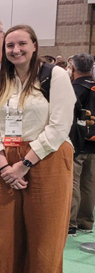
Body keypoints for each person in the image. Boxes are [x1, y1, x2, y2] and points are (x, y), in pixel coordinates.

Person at [0, 25, 75, 273]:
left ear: (34, 45)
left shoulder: (54, 76)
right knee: (6, 238)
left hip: (47, 158)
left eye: (22, 43)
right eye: (10, 45)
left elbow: (59, 127)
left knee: (45, 238)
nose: (16, 50)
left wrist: (25, 164)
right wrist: (3, 163)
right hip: (4, 163)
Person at [71, 53, 95, 236]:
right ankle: (85, 222)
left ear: (73, 67)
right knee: (89, 183)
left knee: (73, 182)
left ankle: (70, 222)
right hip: (93, 144)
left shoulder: (75, 89)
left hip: (78, 143)